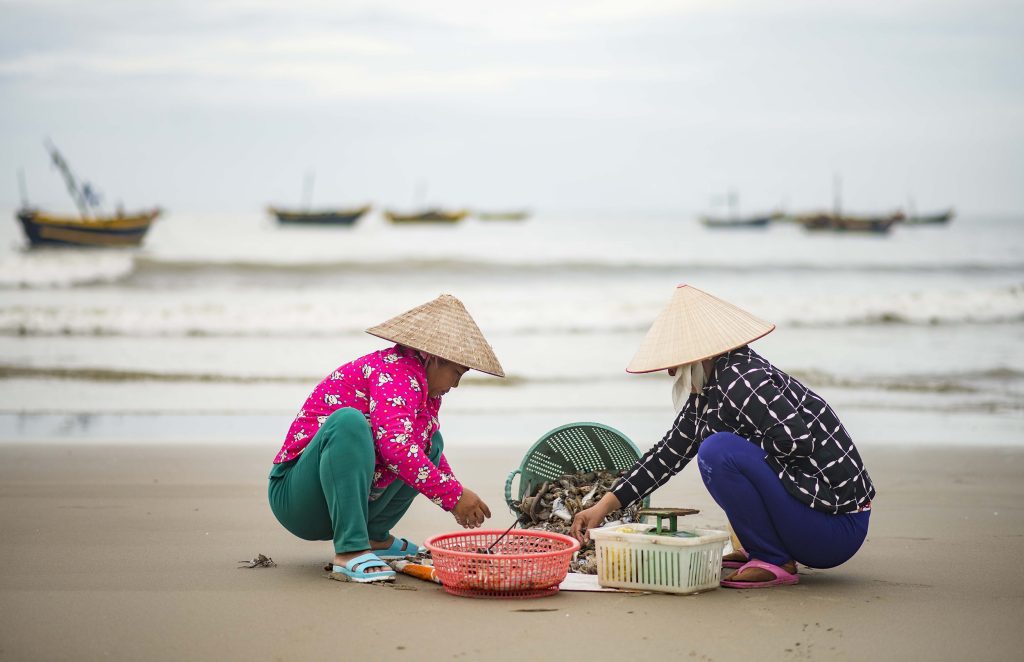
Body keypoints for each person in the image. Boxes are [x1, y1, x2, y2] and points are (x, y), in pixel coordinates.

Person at [570, 284, 875, 588]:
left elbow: (797, 440)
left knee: (717, 451)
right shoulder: (712, 388)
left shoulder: (738, 378)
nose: (671, 372)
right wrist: (603, 506)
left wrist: (739, 444)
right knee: (720, 448)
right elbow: (667, 454)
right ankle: (762, 549)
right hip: (815, 517)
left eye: (675, 363)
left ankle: (773, 558)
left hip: (837, 527)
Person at [268, 294, 501, 583]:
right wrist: (453, 496)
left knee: (432, 442)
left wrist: (455, 490)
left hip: (341, 500)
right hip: (296, 498)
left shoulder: (422, 387)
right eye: (457, 373)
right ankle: (350, 551)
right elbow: (397, 448)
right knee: (348, 422)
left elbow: (416, 450)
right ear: (436, 358)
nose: (456, 384)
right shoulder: (395, 373)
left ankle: (374, 537)